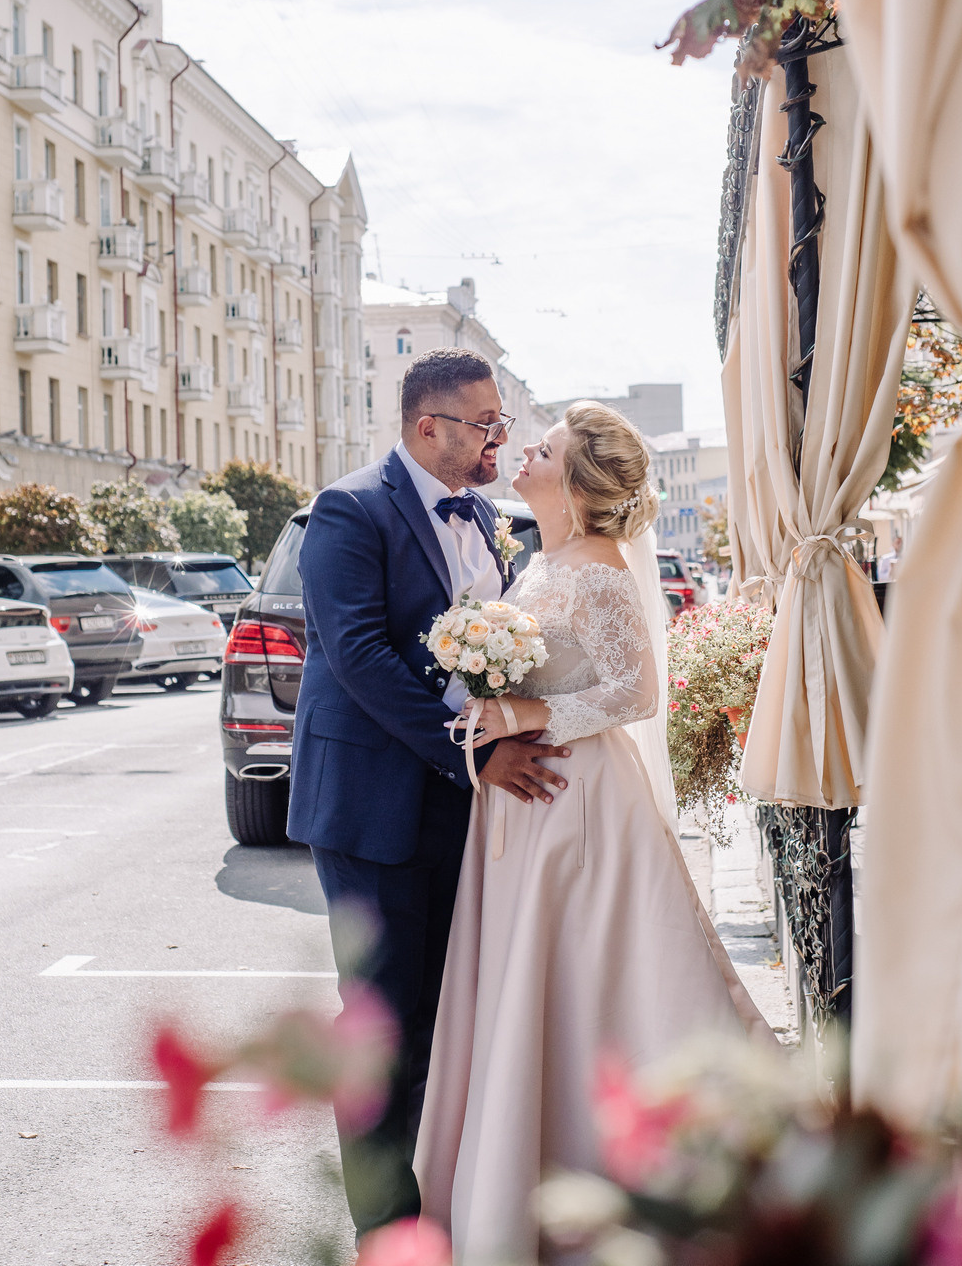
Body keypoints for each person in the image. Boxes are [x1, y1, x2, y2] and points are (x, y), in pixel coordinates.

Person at [415, 401, 774, 1263]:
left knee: (586, 982)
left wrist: (526, 709)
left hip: (575, 805)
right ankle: (525, 1176)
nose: (519, 450)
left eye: (541, 447)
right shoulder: (544, 559)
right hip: (524, 800)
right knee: (536, 983)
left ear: (574, 483)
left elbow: (635, 692)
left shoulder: (600, 568)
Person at [289, 348, 573, 1239]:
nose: (499, 437)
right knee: (380, 1026)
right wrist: (472, 754)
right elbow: (360, 655)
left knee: (445, 1021)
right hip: (373, 809)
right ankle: (384, 1235)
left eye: (502, 423)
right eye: (486, 423)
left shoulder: (487, 517)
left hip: (464, 809)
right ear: (428, 427)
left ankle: (443, 1208)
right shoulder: (349, 510)